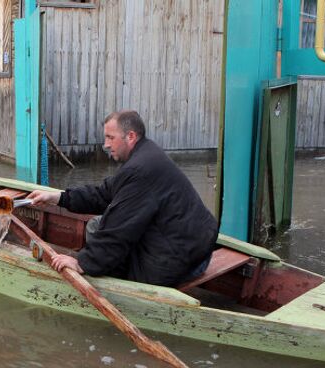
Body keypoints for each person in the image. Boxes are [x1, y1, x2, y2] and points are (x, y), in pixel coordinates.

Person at [27, 110, 218, 287]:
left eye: (111, 137)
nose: (106, 145)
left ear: (131, 136)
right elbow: (103, 194)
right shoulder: (147, 155)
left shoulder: (139, 171)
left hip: (177, 264)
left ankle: (115, 286)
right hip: (198, 251)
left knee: (100, 229)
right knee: (95, 225)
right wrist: (58, 197)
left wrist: (83, 263)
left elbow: (118, 230)